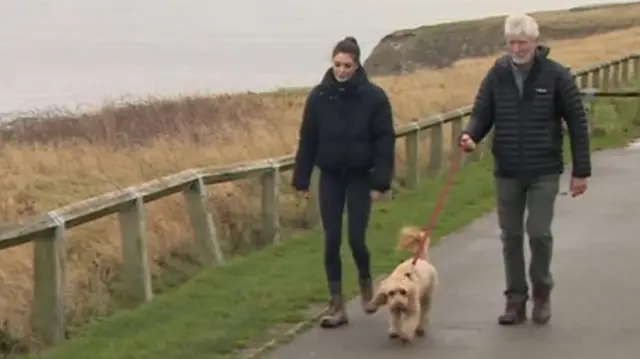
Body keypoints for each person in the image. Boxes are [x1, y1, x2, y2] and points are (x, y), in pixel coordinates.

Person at [459, 14, 591, 326]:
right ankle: (515, 300)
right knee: (511, 236)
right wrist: (470, 135)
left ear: (535, 42)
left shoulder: (556, 76)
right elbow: (482, 112)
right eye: (512, 43)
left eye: (522, 42)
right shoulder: (498, 74)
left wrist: (581, 172)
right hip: (507, 168)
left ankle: (542, 292)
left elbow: (577, 123)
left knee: (539, 233)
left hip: (543, 168)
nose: (517, 48)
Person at [291, 36, 396, 329]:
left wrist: (380, 182)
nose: (341, 70)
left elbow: (385, 141)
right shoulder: (319, 97)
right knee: (331, 239)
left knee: (356, 239)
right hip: (331, 177)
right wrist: (301, 178)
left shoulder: (374, 97)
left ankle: (365, 284)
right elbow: (308, 139)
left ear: (357, 64)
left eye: (347, 65)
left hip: (360, 177)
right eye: (337, 64)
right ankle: (337, 303)